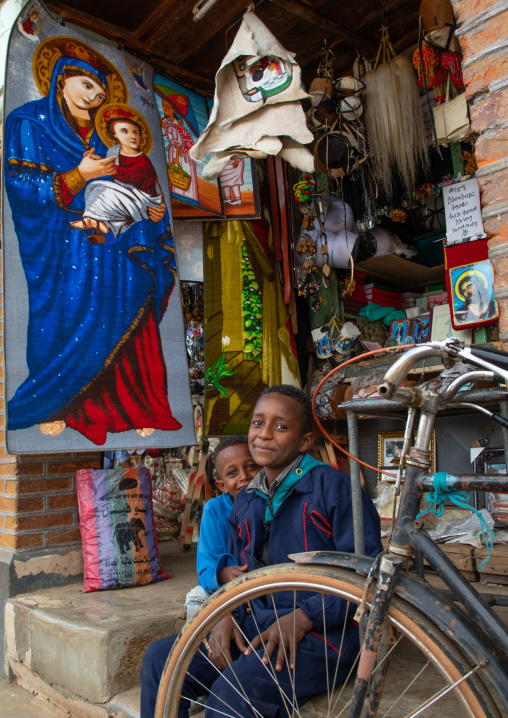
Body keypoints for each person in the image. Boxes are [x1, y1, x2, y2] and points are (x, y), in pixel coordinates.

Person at [140, 384, 382, 718]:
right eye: (258, 423)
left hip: (326, 634)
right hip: (259, 622)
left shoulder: (336, 489)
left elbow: (366, 578)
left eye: (280, 427)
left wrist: (303, 617)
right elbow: (241, 574)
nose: (264, 435)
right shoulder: (248, 501)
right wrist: (225, 612)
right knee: (161, 659)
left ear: (305, 441)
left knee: (234, 693)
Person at [4, 42, 182, 445]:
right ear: (61, 79)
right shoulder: (29, 122)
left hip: (118, 248)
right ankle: (58, 406)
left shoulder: (112, 133)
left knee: (130, 320)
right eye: (86, 86)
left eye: (101, 94)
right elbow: (20, 183)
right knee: (64, 322)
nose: (93, 97)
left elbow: (136, 181)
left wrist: (150, 214)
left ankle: (137, 406)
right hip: (63, 247)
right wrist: (77, 177)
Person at [184, 436, 260, 619]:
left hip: (263, 586)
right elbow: (206, 567)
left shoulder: (271, 505)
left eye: (251, 466)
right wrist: (222, 574)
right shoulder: (214, 510)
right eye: (232, 473)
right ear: (222, 485)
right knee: (196, 598)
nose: (244, 477)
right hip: (228, 589)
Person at [69, 110, 165, 242]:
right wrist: (98, 160)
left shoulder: (143, 160)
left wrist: (102, 165)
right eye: (125, 131)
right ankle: (102, 224)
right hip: (125, 194)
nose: (132, 136)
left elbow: (129, 177)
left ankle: (89, 220)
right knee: (94, 188)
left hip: (145, 200)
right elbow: (111, 168)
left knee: (103, 191)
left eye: (135, 132)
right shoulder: (113, 151)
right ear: (114, 134)